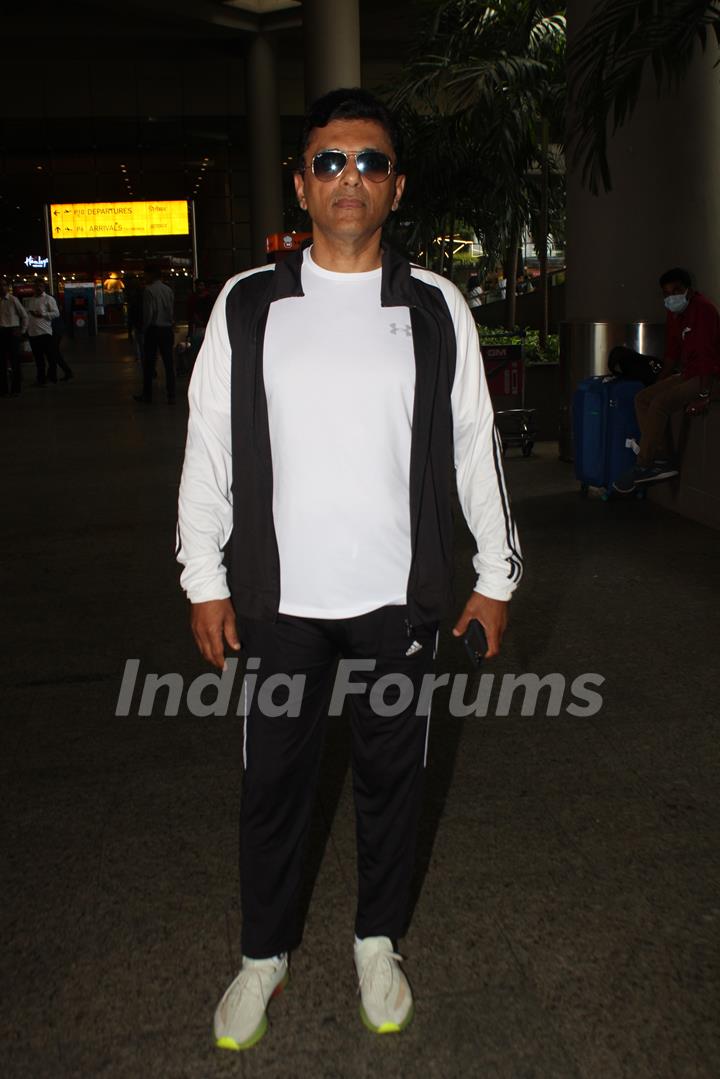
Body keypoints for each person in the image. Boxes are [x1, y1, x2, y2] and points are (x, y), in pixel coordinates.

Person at [176, 87, 522, 1051]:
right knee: (272, 783)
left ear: (396, 186)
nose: (349, 179)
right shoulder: (250, 304)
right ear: (300, 182)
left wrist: (496, 575)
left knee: (391, 781)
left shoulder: (433, 303)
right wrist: (201, 575)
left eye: (370, 163)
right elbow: (208, 446)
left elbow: (472, 444)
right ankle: (262, 952)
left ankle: (378, 939)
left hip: (398, 606)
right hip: (279, 605)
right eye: (330, 162)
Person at [613, 267, 720, 493]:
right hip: (690, 372)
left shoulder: (704, 311)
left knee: (660, 404)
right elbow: (672, 353)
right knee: (643, 398)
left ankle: (644, 464)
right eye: (666, 293)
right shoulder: (675, 314)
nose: (671, 297)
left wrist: (704, 395)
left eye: (676, 291)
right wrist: (659, 382)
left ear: (689, 291)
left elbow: (707, 358)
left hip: (710, 376)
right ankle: (659, 457)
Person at [134, 265, 175, 404]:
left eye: (145, 274)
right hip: (167, 328)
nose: (144, 277)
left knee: (149, 363)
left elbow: (149, 312)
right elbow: (171, 310)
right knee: (169, 363)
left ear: (151, 275)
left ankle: (147, 395)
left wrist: (144, 328)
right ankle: (171, 395)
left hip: (154, 329)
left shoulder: (148, 290)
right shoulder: (168, 290)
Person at [25, 282, 73, 385]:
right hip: (40, 331)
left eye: (40, 286)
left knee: (52, 354)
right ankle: (57, 375)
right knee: (53, 354)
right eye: (36, 286)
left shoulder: (49, 299)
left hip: (51, 331)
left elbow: (56, 314)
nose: (38, 288)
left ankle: (54, 376)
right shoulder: (32, 300)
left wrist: (42, 314)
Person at [0, 279, 29, 396]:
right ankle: (3, 389)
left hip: (12, 331)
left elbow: (25, 316)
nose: (2, 288)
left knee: (15, 361)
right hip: (1, 332)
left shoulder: (13, 300)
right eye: (0, 286)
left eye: (4, 285)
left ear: (7, 287)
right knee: (1, 362)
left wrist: (22, 331)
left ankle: (16, 389)